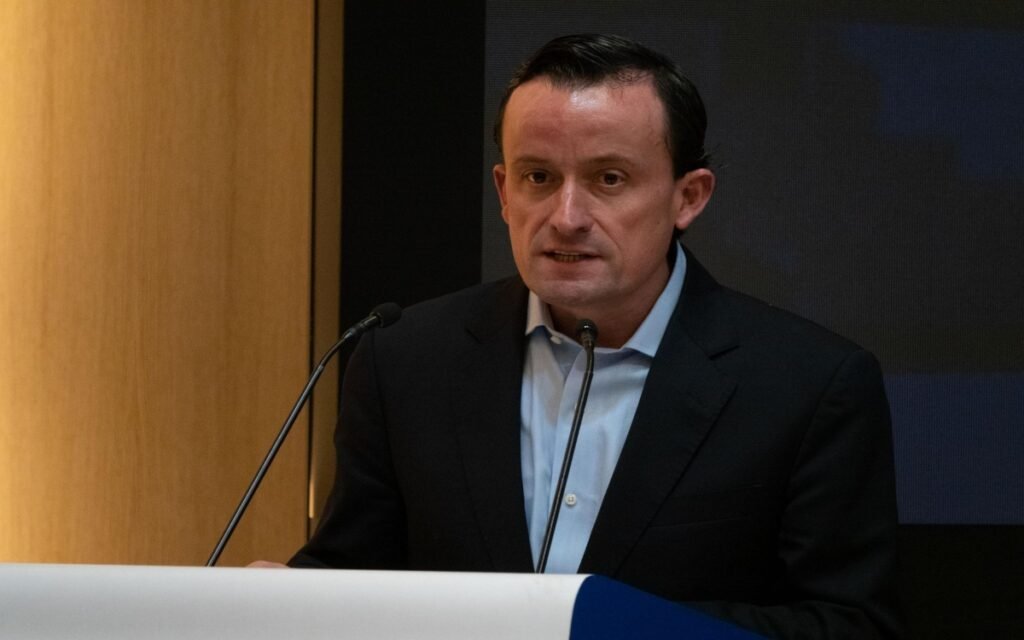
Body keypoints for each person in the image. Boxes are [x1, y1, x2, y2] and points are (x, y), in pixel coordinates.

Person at [284, 34, 902, 639]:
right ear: (503, 193)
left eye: (609, 179)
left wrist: (598, 627)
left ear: (688, 197)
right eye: (537, 177)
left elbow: (849, 624)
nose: (566, 217)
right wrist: (280, 602)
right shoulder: (404, 359)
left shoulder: (809, 385)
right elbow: (351, 577)